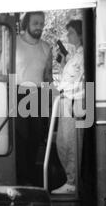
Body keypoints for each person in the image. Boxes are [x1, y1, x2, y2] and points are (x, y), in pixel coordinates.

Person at [15, 11, 53, 186]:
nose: (39, 27)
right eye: (35, 23)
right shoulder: (13, 42)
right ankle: (20, 179)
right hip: (18, 93)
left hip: (39, 94)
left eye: (41, 23)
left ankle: (30, 177)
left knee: (36, 138)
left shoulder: (46, 48)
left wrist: (51, 101)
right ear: (26, 24)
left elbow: (48, 77)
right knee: (20, 138)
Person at [52, 19, 84, 194]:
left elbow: (82, 82)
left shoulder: (85, 55)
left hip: (75, 102)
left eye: (71, 32)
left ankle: (72, 183)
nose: (68, 35)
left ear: (80, 33)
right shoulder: (75, 56)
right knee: (62, 143)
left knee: (71, 144)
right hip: (66, 101)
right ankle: (70, 180)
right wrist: (64, 62)